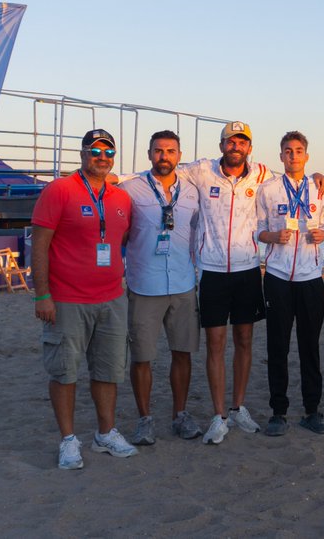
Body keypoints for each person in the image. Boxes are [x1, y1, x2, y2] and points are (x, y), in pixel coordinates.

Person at [32, 129, 137, 469]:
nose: (102, 157)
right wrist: (42, 294)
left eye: (108, 151)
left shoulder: (121, 198)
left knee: (108, 370)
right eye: (95, 150)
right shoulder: (59, 190)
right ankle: (68, 440)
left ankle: (105, 433)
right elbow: (39, 246)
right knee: (64, 372)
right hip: (66, 300)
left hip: (112, 299)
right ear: (82, 153)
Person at [178, 121, 273, 444]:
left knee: (245, 340)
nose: (236, 147)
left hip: (247, 270)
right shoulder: (202, 171)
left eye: (242, 142)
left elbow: (294, 184)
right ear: (221, 146)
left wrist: (319, 180)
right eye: (230, 142)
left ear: (249, 147)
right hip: (213, 271)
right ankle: (218, 415)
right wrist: (116, 178)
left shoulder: (262, 175)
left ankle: (238, 407)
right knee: (216, 344)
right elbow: (161, 170)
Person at [118, 130, 202, 445]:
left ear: (179, 155)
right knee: (142, 357)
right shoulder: (130, 189)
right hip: (144, 285)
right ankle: (145, 420)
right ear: (149, 153)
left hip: (183, 283)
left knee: (183, 353)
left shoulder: (193, 191)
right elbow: (119, 235)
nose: (164, 156)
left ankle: (180, 415)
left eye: (170, 150)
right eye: (158, 150)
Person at [255, 131, 324, 436]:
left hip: (311, 277)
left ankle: (312, 411)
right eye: (288, 151)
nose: (293, 156)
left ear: (307, 156)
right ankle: (278, 412)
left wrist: (323, 235)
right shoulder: (269, 189)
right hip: (276, 276)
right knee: (278, 346)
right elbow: (258, 229)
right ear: (281, 156)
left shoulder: (319, 187)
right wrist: (273, 237)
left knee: (310, 347)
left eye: (299, 151)